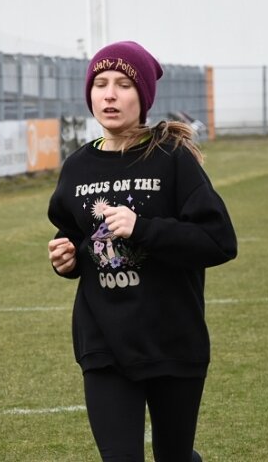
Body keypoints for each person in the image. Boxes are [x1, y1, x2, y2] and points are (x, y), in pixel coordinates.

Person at [47, 41, 237, 462]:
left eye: (122, 85)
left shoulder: (172, 159)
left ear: (144, 96)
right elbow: (74, 237)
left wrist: (143, 228)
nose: (109, 94)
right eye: (100, 84)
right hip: (103, 341)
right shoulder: (77, 167)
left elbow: (219, 241)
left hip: (172, 339)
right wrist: (68, 260)